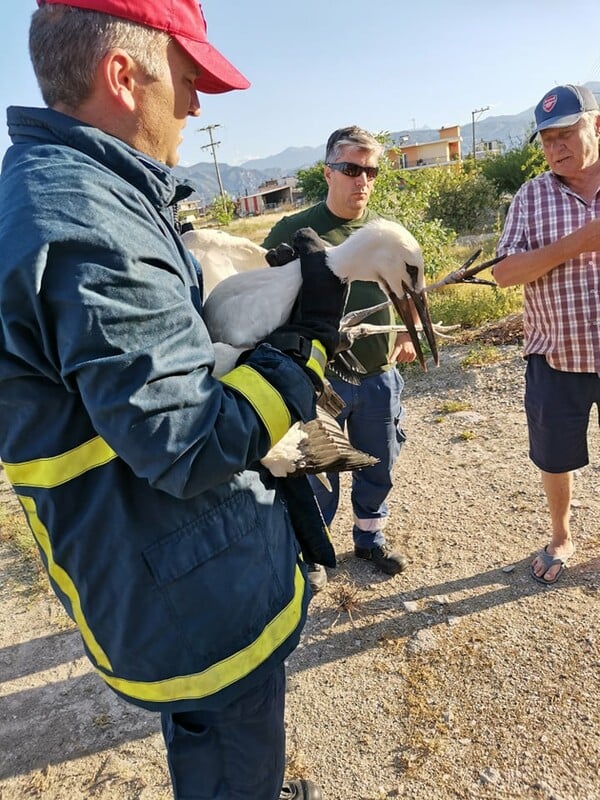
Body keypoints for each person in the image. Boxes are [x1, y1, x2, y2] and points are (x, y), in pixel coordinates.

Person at [0, 2, 349, 798]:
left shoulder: (91, 194)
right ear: (122, 76)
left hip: (178, 564)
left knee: (222, 744)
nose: (195, 106)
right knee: (232, 751)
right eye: (187, 80)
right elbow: (189, 440)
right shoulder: (87, 223)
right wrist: (305, 345)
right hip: (190, 590)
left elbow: (165, 381)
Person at [263, 126, 419, 593]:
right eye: (351, 169)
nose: (362, 181)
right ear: (328, 172)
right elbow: (264, 301)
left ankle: (370, 539)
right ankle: (314, 552)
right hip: (317, 383)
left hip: (378, 374)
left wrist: (407, 334)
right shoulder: (295, 232)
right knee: (313, 473)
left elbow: (408, 289)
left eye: (370, 171)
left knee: (379, 463)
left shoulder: (385, 233)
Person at [493, 84, 600, 585]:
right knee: (555, 455)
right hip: (557, 353)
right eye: (547, 139)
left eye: (567, 134)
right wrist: (580, 241)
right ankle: (561, 534)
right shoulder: (532, 196)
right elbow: (504, 272)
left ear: (595, 126)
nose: (557, 148)